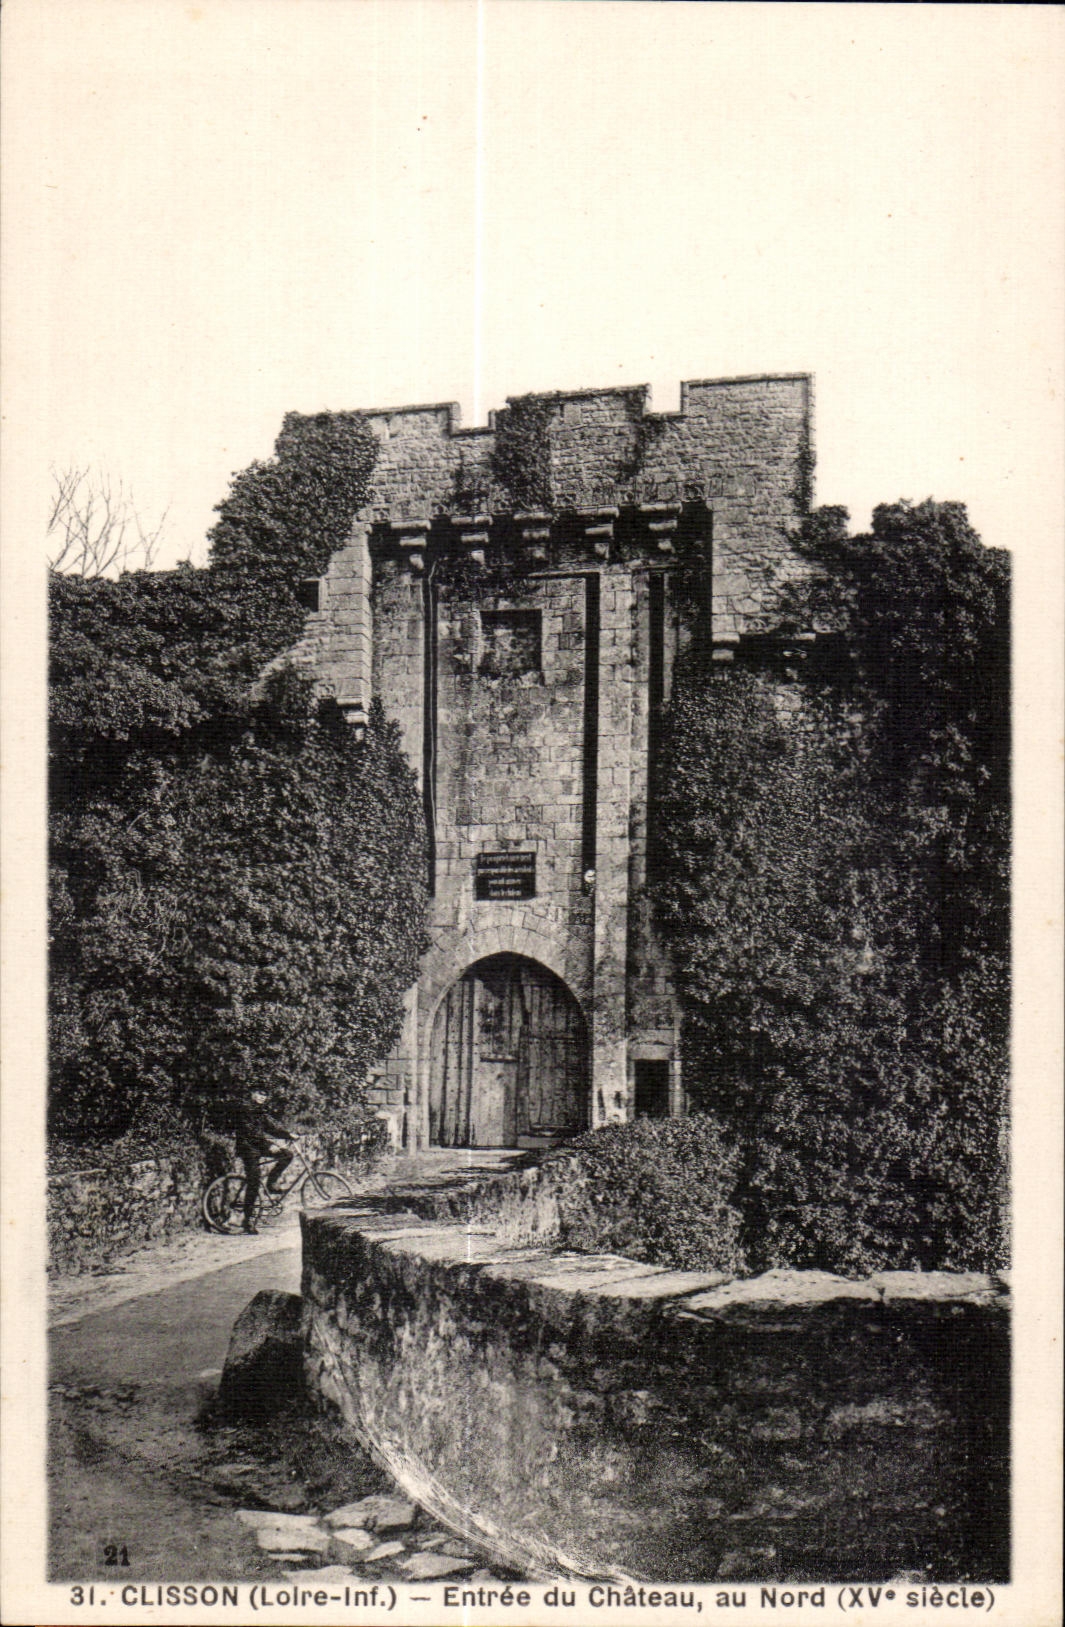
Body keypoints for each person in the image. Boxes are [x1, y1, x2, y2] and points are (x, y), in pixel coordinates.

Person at [230, 1090, 294, 1234]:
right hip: (247, 1147)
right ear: (252, 1094)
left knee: (287, 1155)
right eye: (258, 1094)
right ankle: (248, 1221)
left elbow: (271, 1127)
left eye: (264, 1095)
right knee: (254, 1180)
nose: (261, 1097)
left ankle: (271, 1183)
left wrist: (288, 1134)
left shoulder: (259, 1110)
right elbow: (250, 1132)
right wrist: (269, 1145)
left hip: (258, 1145)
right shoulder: (244, 1108)